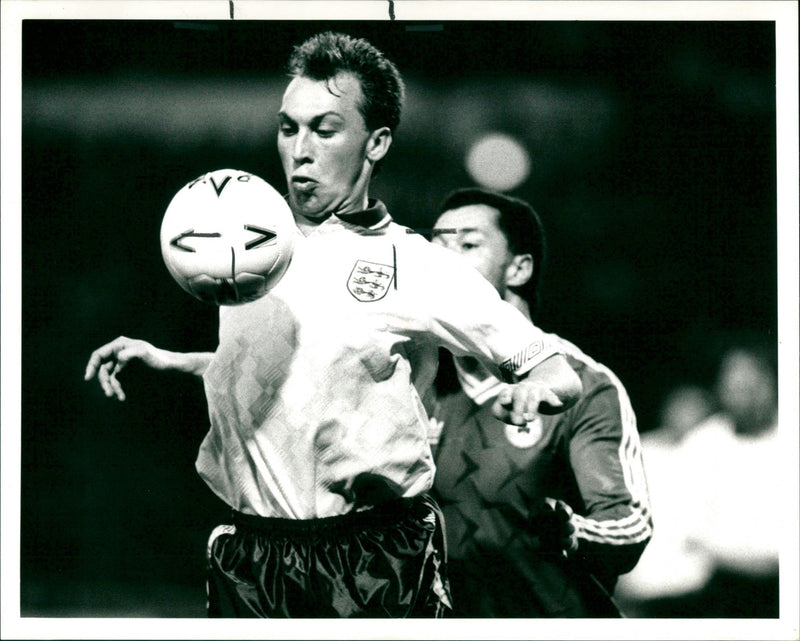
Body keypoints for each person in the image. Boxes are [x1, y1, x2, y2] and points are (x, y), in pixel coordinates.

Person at [84, 32, 583, 618]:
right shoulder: (247, 248)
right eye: (288, 128)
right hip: (253, 556)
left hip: (374, 560)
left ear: (375, 143)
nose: (299, 149)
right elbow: (300, 371)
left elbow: (555, 370)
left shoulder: (416, 266)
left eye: (324, 130)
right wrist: (173, 361)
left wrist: (533, 386)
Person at [425, 187, 652, 617]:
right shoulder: (417, 384)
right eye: (436, 246)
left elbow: (629, 527)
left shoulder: (587, 386)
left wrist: (575, 532)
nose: (443, 261)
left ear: (520, 268)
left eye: (468, 244)